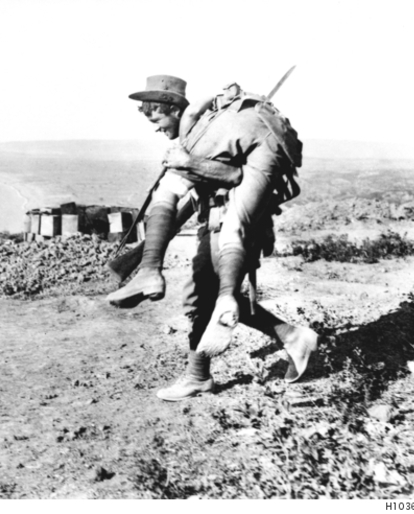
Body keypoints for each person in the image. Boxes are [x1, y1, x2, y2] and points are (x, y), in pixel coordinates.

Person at [108, 75, 318, 401]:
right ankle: (291, 338)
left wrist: (189, 163)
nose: (156, 128)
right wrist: (150, 246)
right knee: (204, 296)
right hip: (214, 222)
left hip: (236, 226)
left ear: (173, 109)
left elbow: (237, 177)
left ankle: (200, 375)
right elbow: (195, 194)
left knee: (207, 297)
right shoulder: (197, 134)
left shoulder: (212, 131)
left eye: (157, 119)